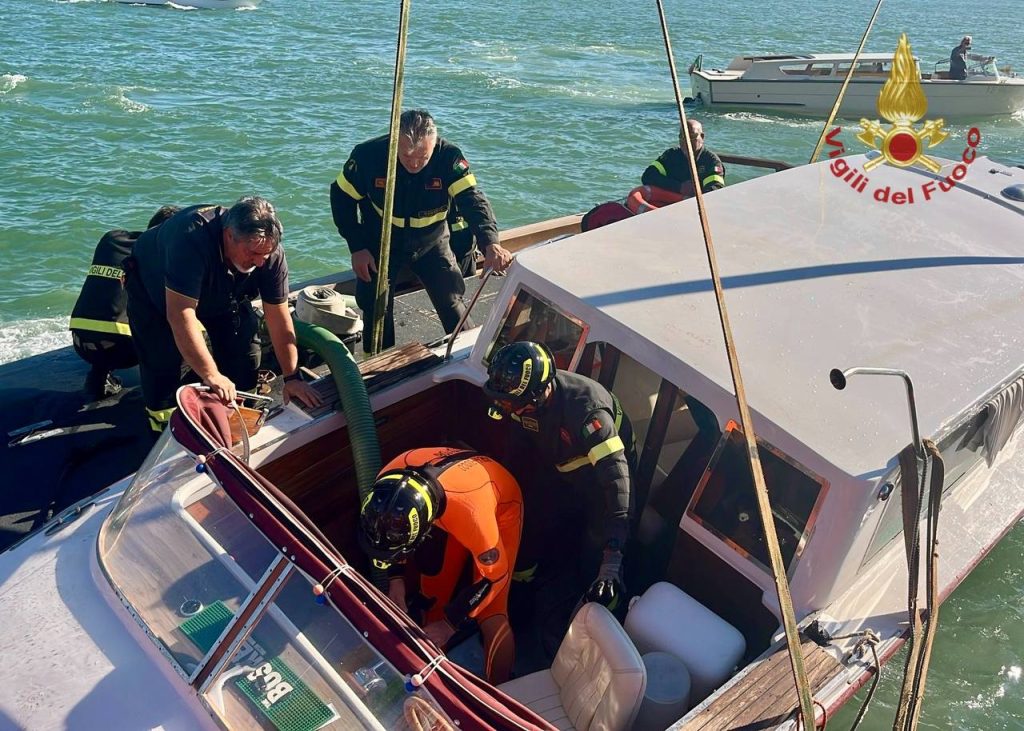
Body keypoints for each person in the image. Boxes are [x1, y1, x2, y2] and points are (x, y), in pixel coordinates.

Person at [124, 196, 321, 432]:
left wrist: (292, 377)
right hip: (156, 290)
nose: (260, 262)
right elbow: (180, 315)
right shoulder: (189, 240)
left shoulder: (269, 255)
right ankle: (166, 429)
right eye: (253, 253)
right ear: (229, 235)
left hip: (223, 291)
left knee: (245, 352)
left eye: (266, 254)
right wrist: (211, 375)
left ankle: (238, 414)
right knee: (163, 364)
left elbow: (278, 317)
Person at [330, 109, 513, 353]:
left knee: (451, 298)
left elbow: (473, 201)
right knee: (375, 307)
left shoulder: (449, 157)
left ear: (434, 145)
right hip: (381, 242)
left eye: (422, 157)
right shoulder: (368, 156)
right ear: (394, 142)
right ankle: (378, 360)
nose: (414, 164)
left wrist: (490, 242)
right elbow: (341, 197)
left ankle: (467, 353)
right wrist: (357, 247)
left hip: (432, 242)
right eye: (407, 156)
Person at [483, 341, 636, 613]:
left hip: (601, 481)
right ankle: (519, 593)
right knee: (529, 525)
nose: (507, 408)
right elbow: (516, 454)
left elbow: (617, 483)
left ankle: (600, 608)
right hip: (558, 466)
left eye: (512, 404)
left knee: (594, 550)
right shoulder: (520, 403)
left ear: (538, 397)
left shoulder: (588, 413)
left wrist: (612, 556)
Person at [359, 447, 523, 684]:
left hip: (496, 508)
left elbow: (495, 577)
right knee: (433, 595)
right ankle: (433, 672)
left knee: (492, 613)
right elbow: (389, 537)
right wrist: (396, 579)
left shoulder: (473, 517)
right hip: (453, 501)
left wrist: (450, 624)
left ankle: (501, 685)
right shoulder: (387, 484)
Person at [69, 205, 179, 399]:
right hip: (126, 351)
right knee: (183, 320)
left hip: (80, 341)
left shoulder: (111, 240)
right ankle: (167, 388)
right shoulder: (162, 254)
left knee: (113, 306)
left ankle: (98, 376)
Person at [628, 119, 725, 214]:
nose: (686, 141)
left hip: (694, 211)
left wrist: (695, 193)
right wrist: (679, 187)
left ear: (702, 137)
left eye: (691, 136)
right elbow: (648, 176)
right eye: (682, 137)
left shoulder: (711, 161)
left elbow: (715, 190)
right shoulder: (671, 155)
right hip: (666, 206)